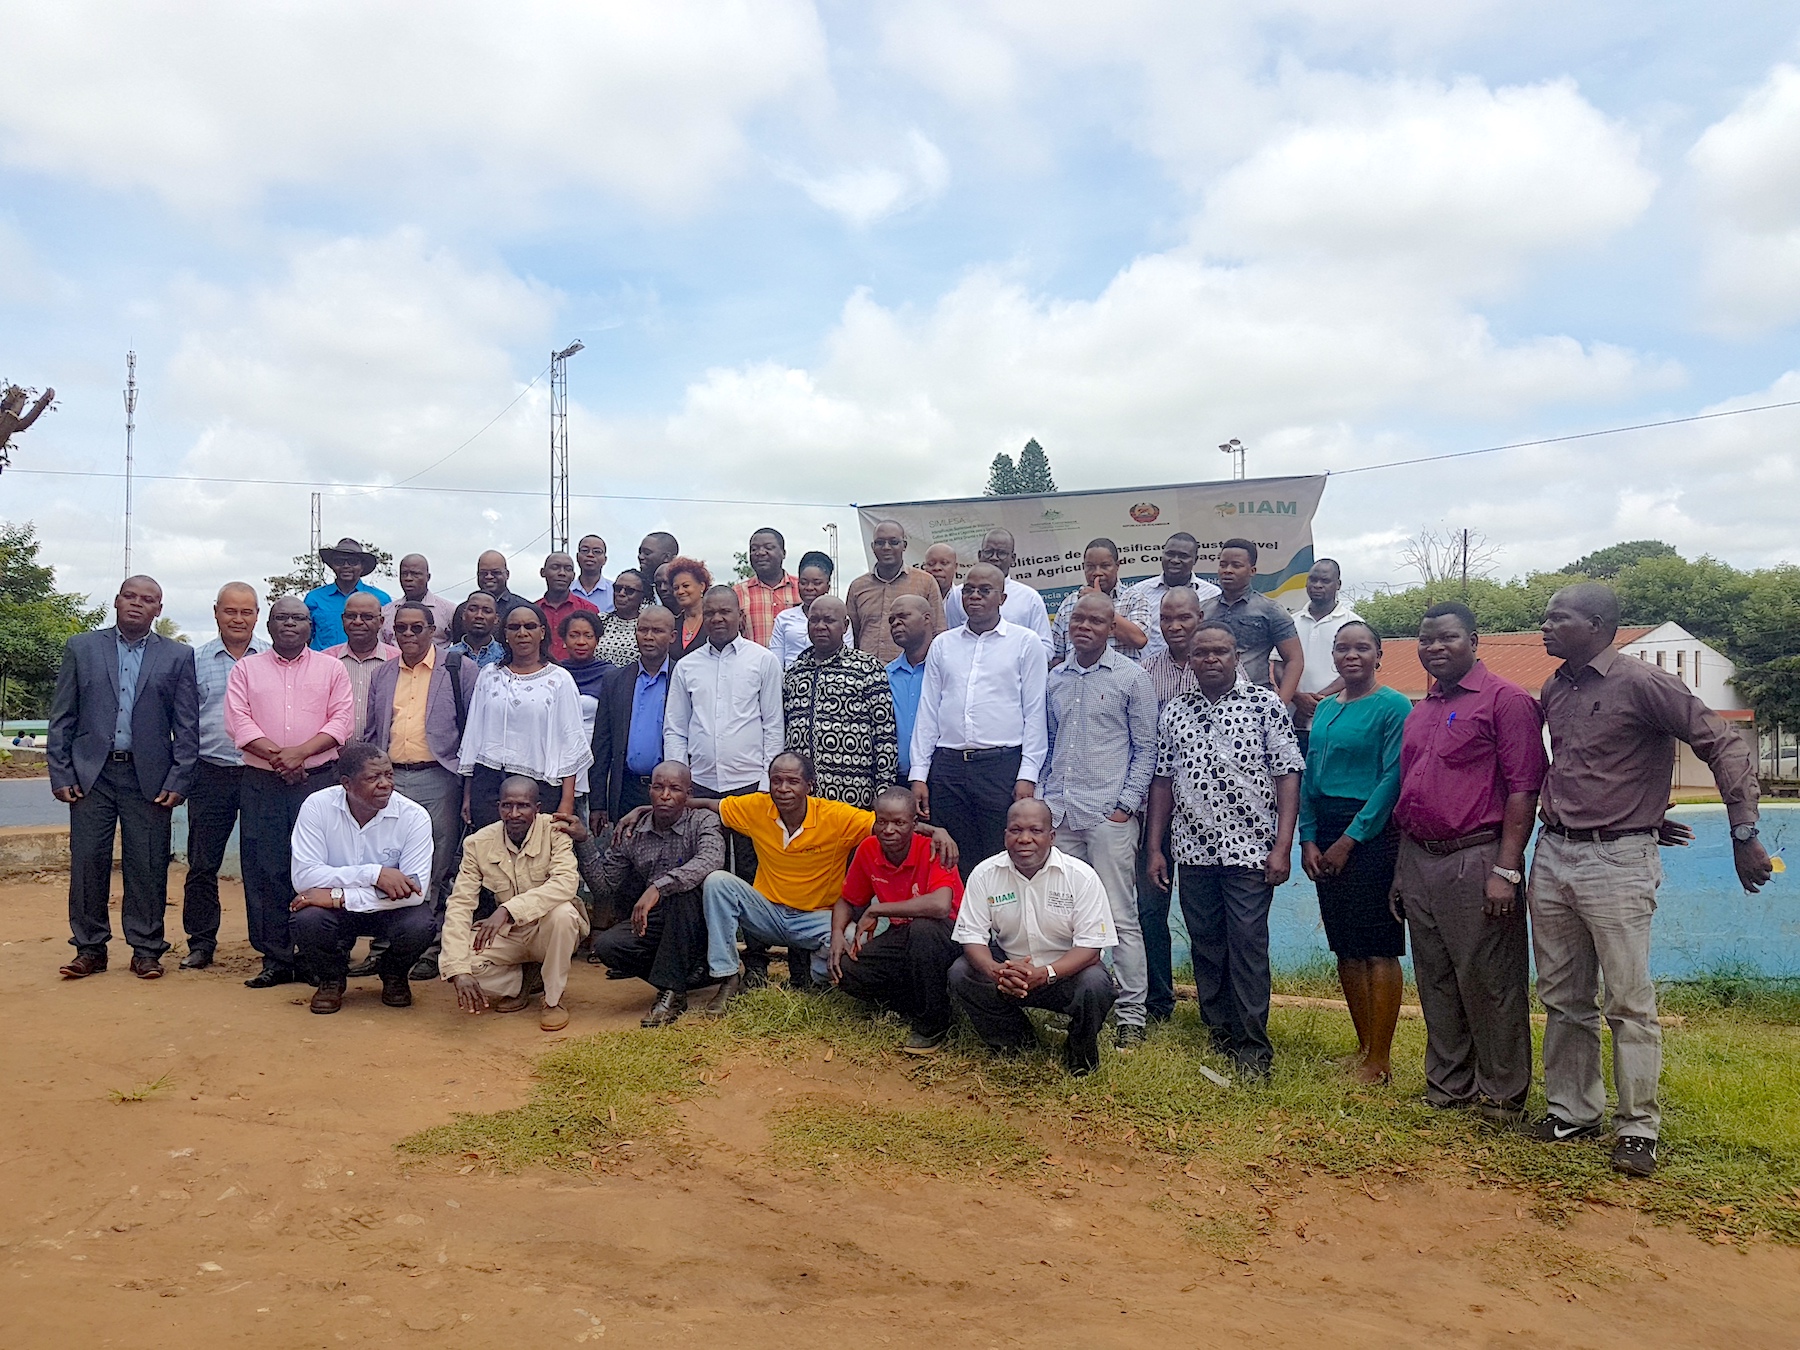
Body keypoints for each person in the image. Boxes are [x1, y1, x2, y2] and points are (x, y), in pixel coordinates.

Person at [1528, 583, 1771, 1176]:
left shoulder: (1644, 682)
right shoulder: (1555, 688)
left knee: (1628, 1002)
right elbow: (1579, 767)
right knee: (1562, 998)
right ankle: (1574, 1112)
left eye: (1558, 619)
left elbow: (1723, 746)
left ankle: (1638, 1128)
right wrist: (1638, 808)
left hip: (1617, 864)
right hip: (1554, 853)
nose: (1545, 627)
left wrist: (1744, 833)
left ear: (1597, 624)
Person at [1390, 602, 1546, 1124]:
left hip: (1476, 856)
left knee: (1490, 981)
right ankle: (1449, 1086)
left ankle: (1503, 1095)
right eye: (1425, 639)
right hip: (1420, 858)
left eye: (1447, 638)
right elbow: (1411, 789)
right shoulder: (1424, 708)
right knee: (1435, 978)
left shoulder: (1506, 701)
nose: (1434, 647)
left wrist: (1507, 869)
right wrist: (1401, 871)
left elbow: (1525, 790)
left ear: (1473, 640)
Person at [1146, 621, 1303, 1077]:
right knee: (1207, 945)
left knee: (1248, 944)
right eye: (1202, 653)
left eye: (1220, 652)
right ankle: (1220, 1034)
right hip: (1192, 852)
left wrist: (1282, 845)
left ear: (1236, 657)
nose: (1210, 659)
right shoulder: (1175, 711)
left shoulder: (1264, 704)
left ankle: (1254, 1046)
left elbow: (1287, 772)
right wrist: (1156, 848)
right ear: (1190, 660)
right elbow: (1162, 781)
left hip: (1251, 853)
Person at [680, 751, 956, 1007]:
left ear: (809, 785)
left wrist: (936, 831)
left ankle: (817, 973)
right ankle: (728, 975)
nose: (783, 788)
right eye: (776, 781)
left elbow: (889, 823)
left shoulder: (835, 817)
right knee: (717, 882)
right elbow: (707, 803)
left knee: (848, 948)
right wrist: (649, 809)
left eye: (792, 781)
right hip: (768, 913)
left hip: (816, 920)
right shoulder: (755, 807)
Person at [48, 575, 199, 980]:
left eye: (147, 599)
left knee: (148, 864)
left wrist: (178, 778)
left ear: (159, 610)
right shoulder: (82, 647)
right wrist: (60, 771)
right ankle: (90, 949)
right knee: (88, 863)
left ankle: (146, 950)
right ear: (116, 601)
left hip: (148, 778)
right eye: (129, 596)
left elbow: (187, 725)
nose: (137, 604)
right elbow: (63, 716)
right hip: (90, 775)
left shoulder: (177, 656)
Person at [1041, 592, 1158, 1050]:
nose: (1084, 626)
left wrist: (1125, 805)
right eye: (1077, 619)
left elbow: (1146, 748)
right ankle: (1074, 1001)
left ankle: (1131, 1014)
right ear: (1068, 624)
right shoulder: (1054, 679)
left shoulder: (1132, 677)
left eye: (1096, 621)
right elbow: (1050, 742)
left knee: (1119, 916)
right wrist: (1050, 802)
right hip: (1062, 813)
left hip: (1109, 815)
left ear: (1112, 628)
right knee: (1064, 914)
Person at [1297, 621, 1411, 1084]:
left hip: (1370, 834)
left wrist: (1350, 840)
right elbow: (1307, 775)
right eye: (1342, 648)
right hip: (1325, 830)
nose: (1351, 655)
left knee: (1377, 947)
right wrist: (1308, 837)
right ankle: (1362, 1049)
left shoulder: (1393, 707)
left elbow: (1392, 781)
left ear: (1378, 654)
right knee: (1345, 946)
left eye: (1362, 648)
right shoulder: (1324, 710)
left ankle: (1380, 1059)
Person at [225, 597, 354, 988]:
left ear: (310, 626)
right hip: (262, 781)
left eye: (298, 618)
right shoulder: (246, 669)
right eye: (282, 618)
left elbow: (342, 720)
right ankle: (276, 958)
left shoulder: (332, 669)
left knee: (323, 865)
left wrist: (299, 755)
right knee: (266, 867)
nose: (290, 625)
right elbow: (238, 721)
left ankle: (319, 955)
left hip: (318, 780)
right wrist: (281, 759)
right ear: (269, 625)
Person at [356, 600, 480, 978]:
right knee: (386, 858)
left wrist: (468, 790)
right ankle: (382, 947)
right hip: (389, 779)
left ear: (433, 631)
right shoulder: (384, 673)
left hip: (438, 777)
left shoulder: (459, 669)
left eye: (416, 628)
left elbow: (474, 733)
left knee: (435, 865)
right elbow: (375, 731)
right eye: (401, 629)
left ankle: (428, 947)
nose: (408, 635)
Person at [949, 799, 1117, 1076]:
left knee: (1096, 984)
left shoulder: (1081, 876)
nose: (1024, 838)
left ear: (1052, 837)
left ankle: (1079, 1057)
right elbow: (971, 937)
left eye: (1035, 831)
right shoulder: (984, 874)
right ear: (1005, 836)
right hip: (1008, 971)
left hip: (1063, 971)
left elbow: (1091, 947)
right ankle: (1016, 1044)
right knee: (962, 973)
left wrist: (1046, 973)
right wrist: (996, 971)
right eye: (1015, 830)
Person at [910, 563, 1047, 881]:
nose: (974, 596)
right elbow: (929, 711)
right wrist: (919, 774)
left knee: (1001, 858)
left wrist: (1028, 775)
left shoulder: (1025, 643)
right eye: (968, 590)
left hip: (1000, 767)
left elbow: (1035, 714)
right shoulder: (943, 644)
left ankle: (1004, 929)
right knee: (952, 858)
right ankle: (962, 928)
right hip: (948, 769)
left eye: (984, 590)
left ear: (1002, 597)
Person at [287, 743, 436, 1014]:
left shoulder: (414, 817)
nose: (385, 784)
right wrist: (374, 874)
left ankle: (394, 974)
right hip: (346, 911)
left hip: (386, 910)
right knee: (307, 918)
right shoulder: (317, 807)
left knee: (421, 924)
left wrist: (338, 896)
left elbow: (415, 890)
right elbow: (304, 877)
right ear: (346, 783)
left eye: (389, 775)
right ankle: (331, 979)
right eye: (373, 778)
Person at [439, 774, 587, 1031]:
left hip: (547, 931)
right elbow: (461, 904)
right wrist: (459, 970)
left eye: (523, 806)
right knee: (459, 965)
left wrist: (508, 910)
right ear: (499, 807)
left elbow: (565, 884)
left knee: (564, 914)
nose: (514, 813)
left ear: (537, 809)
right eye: (507, 805)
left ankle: (553, 1000)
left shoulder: (555, 831)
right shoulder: (477, 844)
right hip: (511, 936)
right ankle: (524, 981)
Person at [664, 586, 784, 901]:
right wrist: (680, 781)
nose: (717, 618)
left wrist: (765, 783)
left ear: (740, 617)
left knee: (751, 867)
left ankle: (756, 949)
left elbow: (773, 725)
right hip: (701, 785)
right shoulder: (686, 666)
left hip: (749, 785)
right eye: (711, 612)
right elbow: (675, 728)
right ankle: (702, 945)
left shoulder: (764, 660)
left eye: (725, 612)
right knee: (701, 867)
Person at [587, 761, 726, 1027]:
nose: (665, 795)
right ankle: (689, 977)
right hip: (659, 923)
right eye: (658, 787)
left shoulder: (703, 821)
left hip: (700, 922)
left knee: (681, 894)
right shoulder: (633, 830)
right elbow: (605, 886)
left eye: (674, 788)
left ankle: (671, 993)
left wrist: (659, 887)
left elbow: (712, 859)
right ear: (649, 791)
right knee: (609, 946)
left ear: (689, 793)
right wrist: (583, 842)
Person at [830, 785, 965, 1053]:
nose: (888, 830)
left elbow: (940, 906)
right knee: (847, 971)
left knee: (924, 931)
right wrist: (836, 934)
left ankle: (933, 1023)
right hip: (903, 934)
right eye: (882, 821)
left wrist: (878, 909)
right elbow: (847, 900)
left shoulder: (933, 847)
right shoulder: (868, 849)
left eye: (899, 823)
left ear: (914, 824)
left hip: (948, 935)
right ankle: (919, 1001)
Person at [178, 581, 264, 970]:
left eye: (247, 611)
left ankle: (271, 943)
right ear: (216, 613)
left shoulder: (272, 657)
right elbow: (183, 721)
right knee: (202, 862)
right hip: (210, 772)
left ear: (257, 616)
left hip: (262, 773)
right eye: (231, 611)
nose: (238, 618)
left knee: (264, 862)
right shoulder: (193, 661)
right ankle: (201, 942)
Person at [459, 602, 590, 829]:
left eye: (529, 626)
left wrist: (566, 802)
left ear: (542, 632)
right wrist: (468, 795)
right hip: (489, 786)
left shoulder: (559, 680)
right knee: (491, 858)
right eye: (514, 627)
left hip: (540, 790)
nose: (522, 633)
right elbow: (473, 735)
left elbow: (571, 744)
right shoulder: (489, 675)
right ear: (505, 634)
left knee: (535, 859)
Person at [1137, 587, 1204, 1022]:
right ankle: (1156, 1002)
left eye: (1183, 617)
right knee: (1149, 910)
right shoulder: (1145, 671)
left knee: (1204, 918)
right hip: (1154, 815)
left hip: (1206, 816)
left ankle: (1216, 1005)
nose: (1174, 626)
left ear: (1200, 616)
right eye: (1166, 618)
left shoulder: (1219, 666)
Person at [782, 594, 898, 809]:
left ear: (845, 626)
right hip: (803, 799)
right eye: (814, 620)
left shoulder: (867, 668)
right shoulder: (795, 672)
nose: (820, 626)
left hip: (853, 795)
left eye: (829, 620)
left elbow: (885, 734)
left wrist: (883, 789)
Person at [590, 605, 678, 833]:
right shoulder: (615, 680)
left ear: (672, 636)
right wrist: (598, 803)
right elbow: (601, 744)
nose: (648, 637)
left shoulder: (684, 678)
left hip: (671, 793)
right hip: (627, 788)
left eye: (657, 631)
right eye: (643, 630)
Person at [1203, 538, 1303, 703]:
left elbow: (1295, 659)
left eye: (1236, 565)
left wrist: (1280, 706)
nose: (1228, 570)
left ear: (1252, 570)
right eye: (1223, 565)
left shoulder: (1271, 611)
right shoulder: (1203, 610)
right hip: (1211, 700)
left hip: (1255, 700)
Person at [943, 528, 1053, 659]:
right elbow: (953, 640)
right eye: (989, 552)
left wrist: (1013, 662)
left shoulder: (1030, 598)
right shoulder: (958, 595)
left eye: (1001, 553)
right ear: (979, 555)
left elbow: (1045, 648)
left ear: (1013, 559)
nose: (994, 558)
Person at [846, 519, 945, 663]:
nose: (886, 547)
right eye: (880, 543)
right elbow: (850, 635)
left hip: (912, 672)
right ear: (873, 547)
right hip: (866, 673)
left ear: (904, 545)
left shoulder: (926, 582)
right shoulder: (858, 586)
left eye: (893, 542)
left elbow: (938, 631)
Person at [1290, 558, 1359, 755]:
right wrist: (1297, 697)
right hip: (1294, 723)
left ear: (1338, 585)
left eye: (1325, 581)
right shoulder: (1291, 622)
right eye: (1312, 579)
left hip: (1337, 721)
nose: (1317, 585)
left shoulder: (1353, 623)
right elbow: (1278, 664)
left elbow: (1356, 669)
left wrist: (1318, 700)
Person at [1125, 532, 1221, 663]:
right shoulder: (1139, 592)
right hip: (1149, 672)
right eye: (1170, 554)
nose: (1175, 560)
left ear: (1195, 560)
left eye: (1183, 556)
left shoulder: (1213, 594)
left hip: (1199, 671)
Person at [1050, 538, 1148, 665]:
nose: (1097, 572)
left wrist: (1099, 600)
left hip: (1120, 682)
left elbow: (1139, 640)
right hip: (1078, 680)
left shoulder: (1134, 599)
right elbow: (1057, 654)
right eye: (1090, 567)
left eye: (1105, 566)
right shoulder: (1069, 603)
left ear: (1117, 566)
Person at [323, 591, 398, 739]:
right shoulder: (325, 661)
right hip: (334, 757)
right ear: (342, 619)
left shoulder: (398, 660)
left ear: (381, 622)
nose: (357, 622)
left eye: (367, 617)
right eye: (351, 616)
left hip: (383, 758)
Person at [305, 537, 391, 651]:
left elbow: (389, 637)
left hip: (368, 664)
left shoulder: (381, 599)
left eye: (353, 561)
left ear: (362, 566)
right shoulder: (314, 598)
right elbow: (304, 637)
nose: (346, 566)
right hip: (323, 666)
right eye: (339, 561)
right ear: (332, 566)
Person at [885, 595, 934, 782]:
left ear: (926, 618)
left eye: (903, 616)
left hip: (942, 777)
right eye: (892, 620)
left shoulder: (948, 669)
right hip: (898, 777)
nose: (896, 624)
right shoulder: (886, 675)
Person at [734, 527, 802, 648]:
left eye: (768, 548)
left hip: (799, 665)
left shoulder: (803, 588)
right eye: (754, 549)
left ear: (783, 553)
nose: (760, 553)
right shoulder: (736, 594)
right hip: (753, 665)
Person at [769, 551, 833, 668]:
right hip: (791, 682)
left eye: (816, 583)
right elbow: (776, 662)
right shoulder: (784, 618)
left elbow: (846, 656)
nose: (809, 588)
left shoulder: (839, 619)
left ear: (828, 586)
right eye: (803, 583)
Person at [380, 554, 455, 647]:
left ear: (428, 577)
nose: (408, 578)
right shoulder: (386, 612)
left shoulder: (449, 611)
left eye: (415, 574)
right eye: (404, 574)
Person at [538, 552, 600, 662]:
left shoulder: (588, 609)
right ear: (543, 572)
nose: (562, 573)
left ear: (573, 576)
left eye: (568, 569)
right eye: (555, 567)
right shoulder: (533, 611)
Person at [593, 569, 647, 668]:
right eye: (618, 588)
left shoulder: (648, 624)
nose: (621, 593)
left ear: (642, 596)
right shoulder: (600, 620)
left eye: (629, 591)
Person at [666, 556, 714, 662]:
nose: (680, 591)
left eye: (686, 586)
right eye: (676, 588)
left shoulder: (714, 621)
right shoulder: (673, 623)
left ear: (702, 586)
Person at [474, 550, 532, 627]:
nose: (489, 577)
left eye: (495, 572)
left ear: (507, 574)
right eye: (483, 573)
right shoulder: (464, 610)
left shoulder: (524, 608)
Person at [449, 591, 505, 666]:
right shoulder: (446, 656)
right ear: (464, 615)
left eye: (487, 611)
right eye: (472, 609)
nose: (479, 615)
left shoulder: (505, 656)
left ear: (496, 619)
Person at [572, 534, 613, 613]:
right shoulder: (567, 590)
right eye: (585, 550)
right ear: (577, 557)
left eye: (597, 551)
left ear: (605, 559)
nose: (590, 555)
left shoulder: (615, 591)